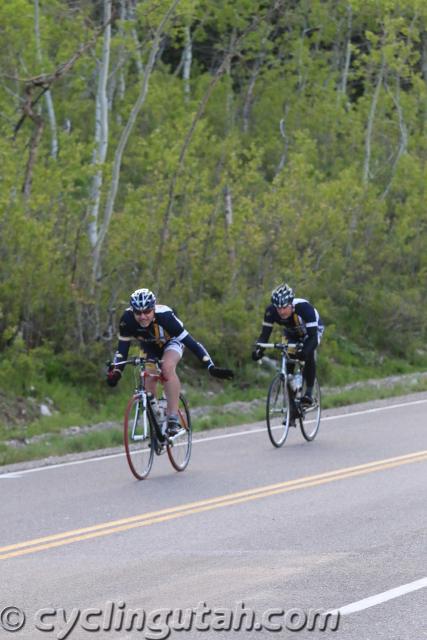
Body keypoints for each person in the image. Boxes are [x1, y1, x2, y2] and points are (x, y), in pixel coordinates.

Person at [107, 288, 234, 436]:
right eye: (138, 313)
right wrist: (116, 372)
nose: (143, 316)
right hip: (149, 346)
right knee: (147, 376)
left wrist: (210, 366)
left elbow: (193, 344)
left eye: (147, 311)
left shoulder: (166, 317)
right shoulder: (126, 320)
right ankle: (157, 416)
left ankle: (173, 417)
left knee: (167, 367)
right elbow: (122, 351)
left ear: (153, 309)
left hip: (172, 342)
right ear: (132, 311)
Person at [252, 283, 324, 416]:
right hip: (291, 333)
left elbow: (313, 337)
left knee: (307, 354)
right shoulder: (271, 311)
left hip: (311, 332)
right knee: (288, 363)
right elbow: (264, 335)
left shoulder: (304, 308)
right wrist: (259, 350)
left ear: (291, 304)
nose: (281, 311)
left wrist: (305, 352)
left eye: (284, 307)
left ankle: (308, 393)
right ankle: (293, 405)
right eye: (278, 308)